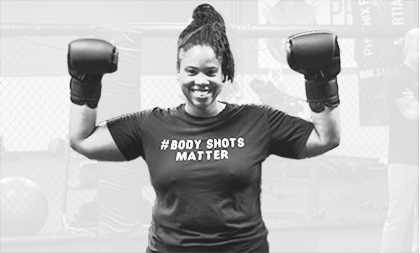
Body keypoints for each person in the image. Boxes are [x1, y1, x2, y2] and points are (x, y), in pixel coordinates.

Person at [67, 4, 340, 253]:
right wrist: (85, 84)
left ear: (224, 73)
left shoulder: (256, 120)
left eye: (211, 72)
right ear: (178, 72)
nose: (201, 81)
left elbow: (325, 138)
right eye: (191, 71)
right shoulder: (151, 124)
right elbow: (83, 140)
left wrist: (320, 81)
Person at [381, 28, 419, 253]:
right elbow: (410, 113)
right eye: (417, 49)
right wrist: (414, 107)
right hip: (404, 158)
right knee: (398, 216)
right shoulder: (397, 77)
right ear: (406, 49)